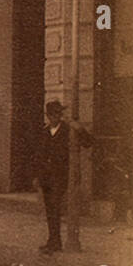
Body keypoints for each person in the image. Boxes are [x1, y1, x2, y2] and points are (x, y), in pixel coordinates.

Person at [35, 100, 93, 254]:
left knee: (55, 205)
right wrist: (37, 177)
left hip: (60, 175)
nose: (56, 117)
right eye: (53, 114)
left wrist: (79, 129)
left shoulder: (68, 130)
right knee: (50, 208)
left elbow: (88, 142)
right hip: (46, 177)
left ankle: (56, 241)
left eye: (58, 114)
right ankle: (53, 241)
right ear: (48, 116)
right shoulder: (45, 131)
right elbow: (39, 156)